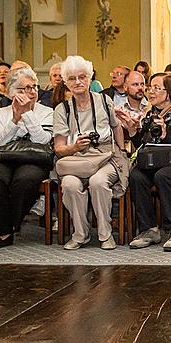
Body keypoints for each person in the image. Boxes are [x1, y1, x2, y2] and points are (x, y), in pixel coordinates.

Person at [52, 55, 128, 251]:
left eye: (82, 77)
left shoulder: (104, 101)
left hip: (106, 157)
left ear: (90, 78)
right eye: (72, 78)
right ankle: (80, 234)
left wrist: (121, 153)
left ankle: (105, 234)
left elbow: (116, 127)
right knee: (69, 184)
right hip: (77, 159)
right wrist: (75, 147)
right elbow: (59, 148)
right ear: (66, 82)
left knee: (98, 182)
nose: (78, 82)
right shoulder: (62, 110)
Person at [0, 66, 54, 250]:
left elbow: (43, 141)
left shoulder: (47, 112)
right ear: (12, 92)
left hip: (33, 158)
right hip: (4, 156)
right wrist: (14, 120)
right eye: (24, 88)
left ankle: (5, 230)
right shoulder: (1, 112)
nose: (31, 91)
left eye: (34, 87)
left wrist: (27, 114)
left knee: (25, 180)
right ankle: (7, 228)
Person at [127, 73, 171, 252]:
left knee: (164, 175)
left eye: (156, 88)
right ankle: (148, 229)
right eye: (150, 88)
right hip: (155, 162)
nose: (151, 92)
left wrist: (168, 136)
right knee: (136, 175)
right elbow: (143, 146)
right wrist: (133, 131)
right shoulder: (151, 114)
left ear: (169, 92)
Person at [113, 71, 148, 145]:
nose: (140, 88)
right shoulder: (119, 112)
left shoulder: (151, 108)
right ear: (125, 87)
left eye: (142, 84)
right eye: (135, 85)